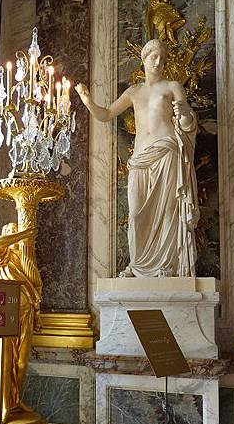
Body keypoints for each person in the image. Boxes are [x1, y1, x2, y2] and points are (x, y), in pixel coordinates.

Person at [76, 38, 199, 278]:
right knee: (135, 212)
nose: (158, 62)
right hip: (140, 157)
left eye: (162, 58)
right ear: (143, 59)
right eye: (154, 56)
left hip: (166, 151)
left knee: (167, 212)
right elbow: (107, 114)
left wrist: (184, 114)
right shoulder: (133, 92)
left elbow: (186, 123)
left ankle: (167, 264)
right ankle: (139, 265)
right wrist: (88, 102)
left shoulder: (173, 86)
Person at [0, 223, 41, 423]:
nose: (13, 232)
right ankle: (3, 405)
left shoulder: (25, 258)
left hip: (24, 312)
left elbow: (35, 284)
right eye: (10, 230)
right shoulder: (2, 255)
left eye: (15, 230)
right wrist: (23, 234)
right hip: (2, 311)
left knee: (21, 362)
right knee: (3, 361)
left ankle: (14, 398)